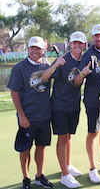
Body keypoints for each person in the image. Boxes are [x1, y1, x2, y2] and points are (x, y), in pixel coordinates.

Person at [40, 31, 87, 188]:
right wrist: (55, 65)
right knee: (62, 139)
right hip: (59, 105)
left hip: (74, 105)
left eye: (80, 43)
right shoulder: (63, 60)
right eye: (75, 43)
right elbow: (44, 78)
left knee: (69, 137)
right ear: (70, 44)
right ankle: (64, 175)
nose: (77, 46)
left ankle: (67, 165)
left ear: (84, 45)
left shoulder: (85, 60)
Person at [7, 36, 53, 189]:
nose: (35, 50)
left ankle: (39, 175)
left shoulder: (47, 65)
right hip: (27, 117)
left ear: (43, 50)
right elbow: (14, 92)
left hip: (44, 116)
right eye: (32, 47)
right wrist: (21, 115)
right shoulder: (20, 68)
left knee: (41, 146)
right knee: (25, 148)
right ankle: (26, 178)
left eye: (38, 48)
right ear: (28, 49)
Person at [73, 24, 100, 184]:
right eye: (96, 36)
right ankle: (92, 168)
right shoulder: (88, 55)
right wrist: (82, 74)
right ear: (92, 38)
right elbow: (77, 81)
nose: (99, 38)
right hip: (93, 101)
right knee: (93, 133)